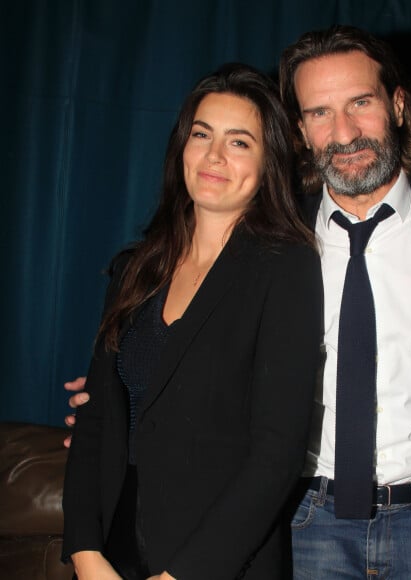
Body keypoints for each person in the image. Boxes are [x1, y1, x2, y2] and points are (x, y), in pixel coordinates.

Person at [66, 25, 411, 579]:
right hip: (307, 519)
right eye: (319, 112)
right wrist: (125, 397)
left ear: (396, 104)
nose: (343, 132)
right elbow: (188, 337)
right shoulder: (275, 234)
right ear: (298, 130)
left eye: (360, 103)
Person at [61, 63, 323, 580]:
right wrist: (87, 553)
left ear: (270, 160)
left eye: (240, 142)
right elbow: (96, 420)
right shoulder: (134, 269)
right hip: (114, 548)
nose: (214, 156)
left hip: (218, 560)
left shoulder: (287, 267)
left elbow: (277, 454)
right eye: (201, 135)